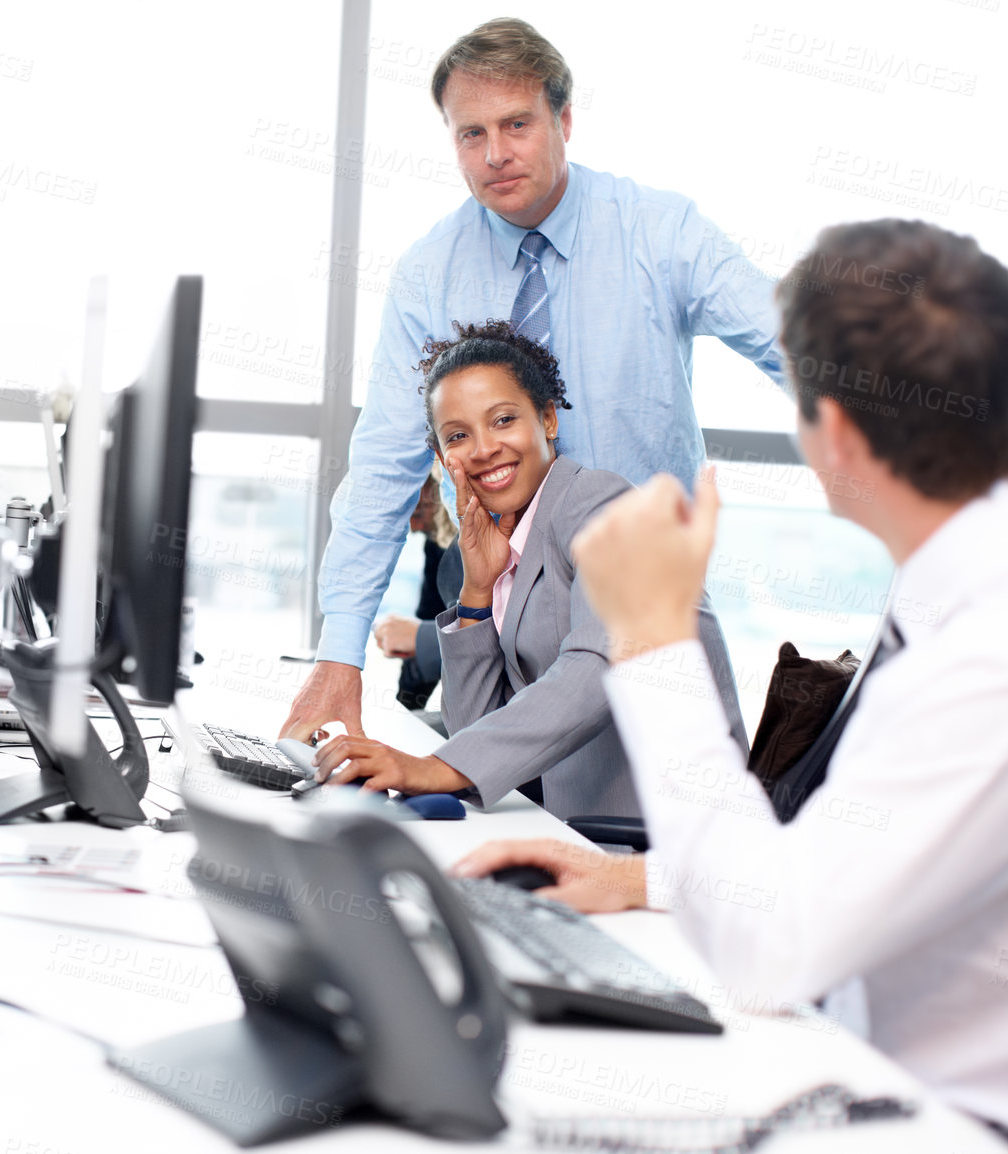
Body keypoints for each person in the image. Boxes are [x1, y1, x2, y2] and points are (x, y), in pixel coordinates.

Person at [455, 220, 1008, 1153]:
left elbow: (770, 951)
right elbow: (886, 858)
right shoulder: (1007, 561)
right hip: (880, 1070)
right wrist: (642, 877)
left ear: (838, 433)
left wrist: (653, 636)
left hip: (995, 1129)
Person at [282, 17, 784, 744]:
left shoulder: (660, 232)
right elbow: (383, 464)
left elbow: (790, 343)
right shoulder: (430, 273)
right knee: (478, 832)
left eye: (516, 124)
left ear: (565, 118)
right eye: (470, 134)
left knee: (650, 837)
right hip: (495, 629)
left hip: (644, 612)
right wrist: (340, 651)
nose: (495, 154)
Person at [312, 321, 745, 817]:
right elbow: (473, 727)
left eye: (502, 420)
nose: (482, 449)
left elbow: (598, 664)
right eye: (457, 435)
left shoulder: (600, 505)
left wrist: (435, 768)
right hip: (573, 829)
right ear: (440, 456)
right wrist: (477, 590)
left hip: (666, 841)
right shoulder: (509, 540)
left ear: (547, 420)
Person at [372, 469, 459, 713]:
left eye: (418, 512)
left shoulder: (471, 541)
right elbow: (428, 616)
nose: (415, 526)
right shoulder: (436, 544)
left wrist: (420, 637)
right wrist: (405, 711)